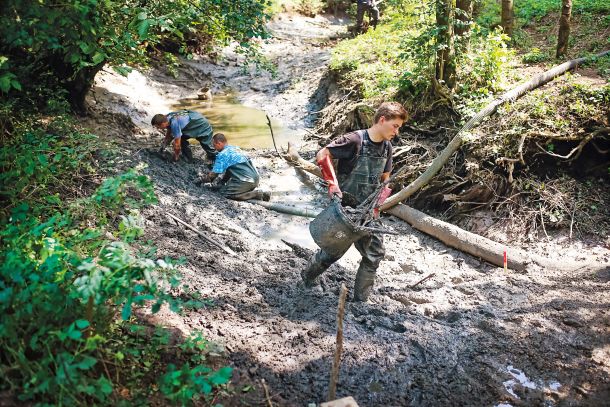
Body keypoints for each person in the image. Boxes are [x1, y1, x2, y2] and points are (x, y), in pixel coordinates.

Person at [302, 101, 408, 302]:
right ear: (382, 120)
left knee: (374, 254)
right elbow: (322, 154)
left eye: (399, 128)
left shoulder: (387, 148)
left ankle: (361, 301)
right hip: (345, 209)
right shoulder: (354, 140)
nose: (397, 131)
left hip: (368, 212)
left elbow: (385, 178)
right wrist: (332, 184)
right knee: (332, 252)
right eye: (395, 126)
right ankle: (307, 277)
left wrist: (379, 203)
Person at [203, 133, 270, 201]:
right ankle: (251, 191)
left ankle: (256, 194)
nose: (214, 148)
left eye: (214, 145)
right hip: (255, 178)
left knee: (225, 193)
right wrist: (223, 181)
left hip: (246, 180)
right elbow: (229, 170)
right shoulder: (235, 148)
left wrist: (204, 180)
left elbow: (214, 174)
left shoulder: (223, 154)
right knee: (229, 188)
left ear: (219, 143)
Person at [151, 110, 217, 162]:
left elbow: (177, 145)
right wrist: (164, 146)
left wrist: (176, 157)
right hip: (193, 120)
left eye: (158, 127)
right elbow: (169, 132)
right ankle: (188, 158)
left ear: (162, 124)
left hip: (202, 126)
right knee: (180, 138)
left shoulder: (174, 123)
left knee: (208, 147)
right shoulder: (167, 117)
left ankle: (218, 161)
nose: (158, 129)